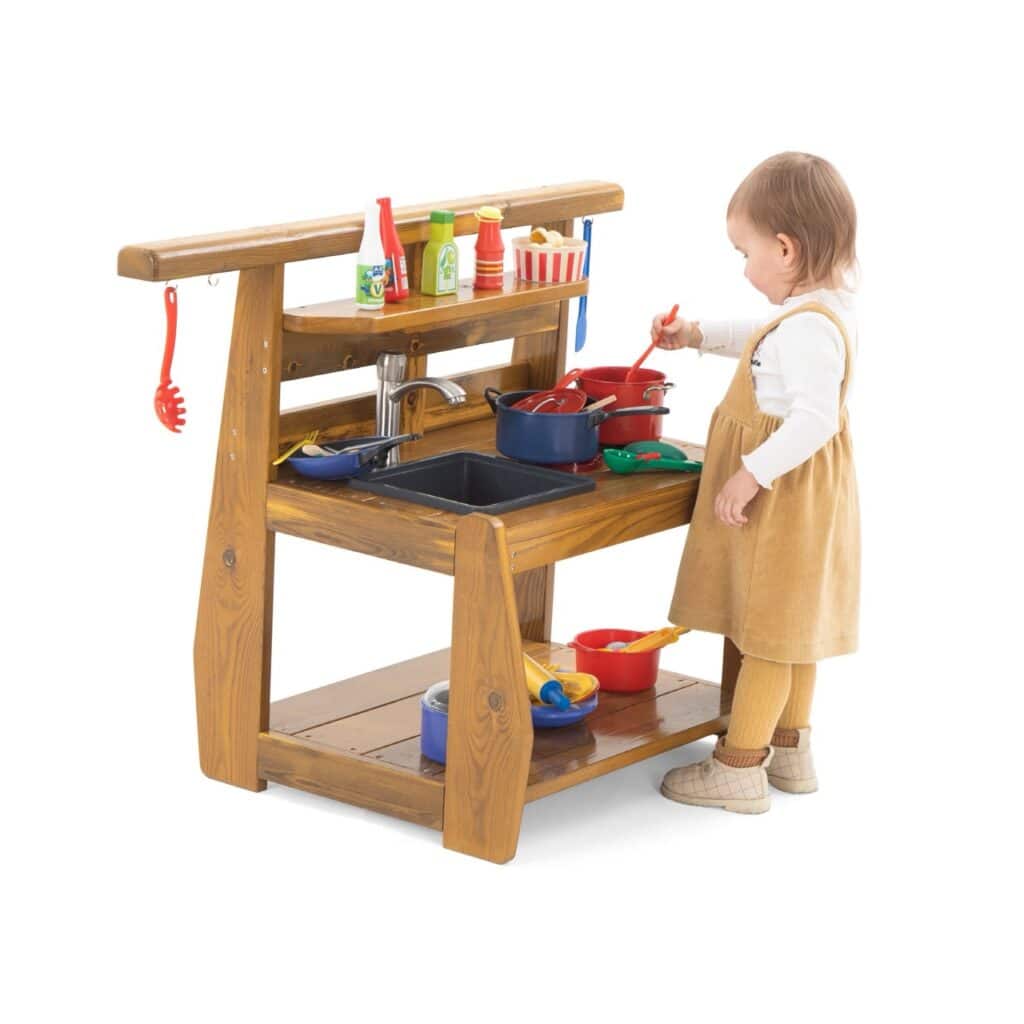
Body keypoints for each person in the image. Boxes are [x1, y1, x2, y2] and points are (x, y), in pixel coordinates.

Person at [655, 152, 860, 813]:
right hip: (805, 498)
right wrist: (695, 335)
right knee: (793, 626)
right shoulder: (815, 312)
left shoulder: (809, 329)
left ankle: (739, 765)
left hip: (784, 498)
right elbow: (762, 337)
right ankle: (790, 748)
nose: (743, 269)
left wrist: (750, 474)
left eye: (745, 253)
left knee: (769, 632)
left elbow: (814, 419)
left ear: (785, 249)